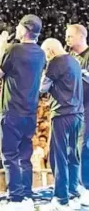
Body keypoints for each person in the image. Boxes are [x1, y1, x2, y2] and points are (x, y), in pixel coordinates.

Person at [0, 14, 46, 211]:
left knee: (10, 155)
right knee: (25, 154)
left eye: (18, 26)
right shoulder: (41, 53)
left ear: (24, 30)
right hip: (30, 112)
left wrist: (1, 46)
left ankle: (15, 198)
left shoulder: (13, 49)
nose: (16, 29)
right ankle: (26, 193)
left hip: (12, 111)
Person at [40, 38, 84, 211]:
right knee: (73, 156)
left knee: (59, 158)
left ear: (50, 51)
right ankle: (73, 194)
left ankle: (61, 199)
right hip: (77, 114)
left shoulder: (55, 62)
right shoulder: (74, 60)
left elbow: (42, 88)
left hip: (62, 114)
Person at [65, 24, 89, 205]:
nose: (66, 39)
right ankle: (74, 183)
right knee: (72, 146)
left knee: (83, 146)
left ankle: (85, 185)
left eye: (69, 36)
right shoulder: (69, 56)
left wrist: (80, 73)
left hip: (87, 106)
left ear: (81, 37)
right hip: (73, 107)